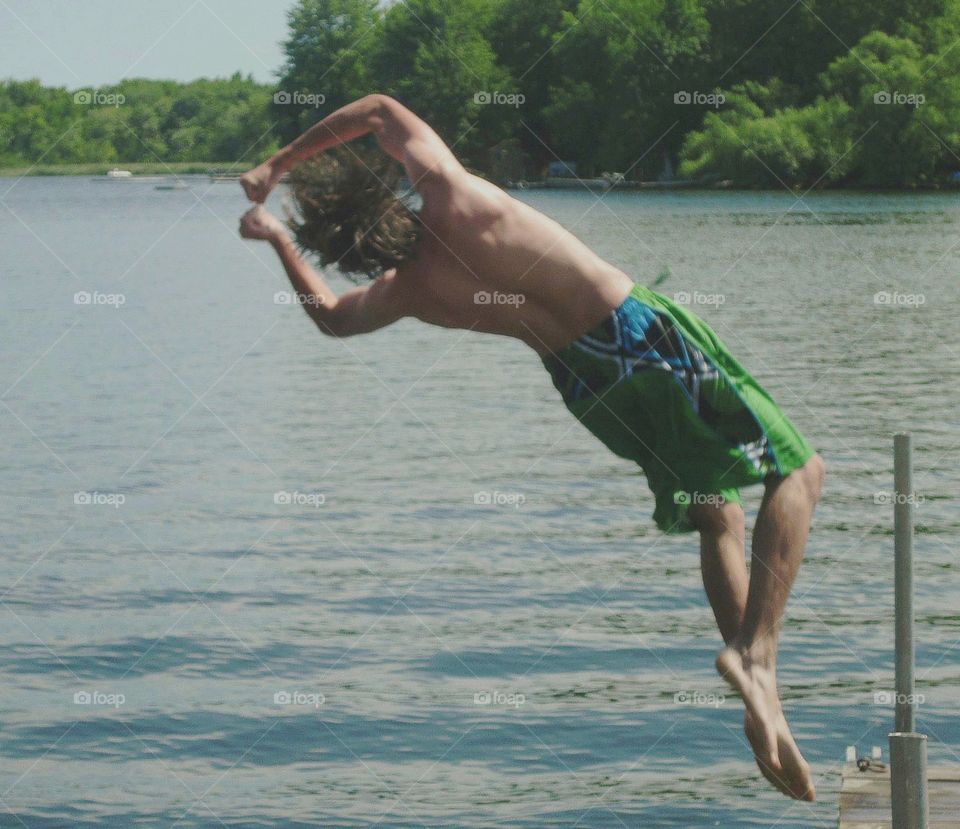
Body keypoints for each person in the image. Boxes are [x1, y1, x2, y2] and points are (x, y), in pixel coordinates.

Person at [239, 94, 825, 801]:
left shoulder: (413, 290)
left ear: (355, 251)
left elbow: (332, 318)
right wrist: (276, 164)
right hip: (634, 335)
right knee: (800, 468)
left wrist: (275, 236)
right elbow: (378, 110)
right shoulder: (454, 195)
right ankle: (757, 655)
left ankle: (758, 698)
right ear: (386, 195)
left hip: (587, 387)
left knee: (715, 512)